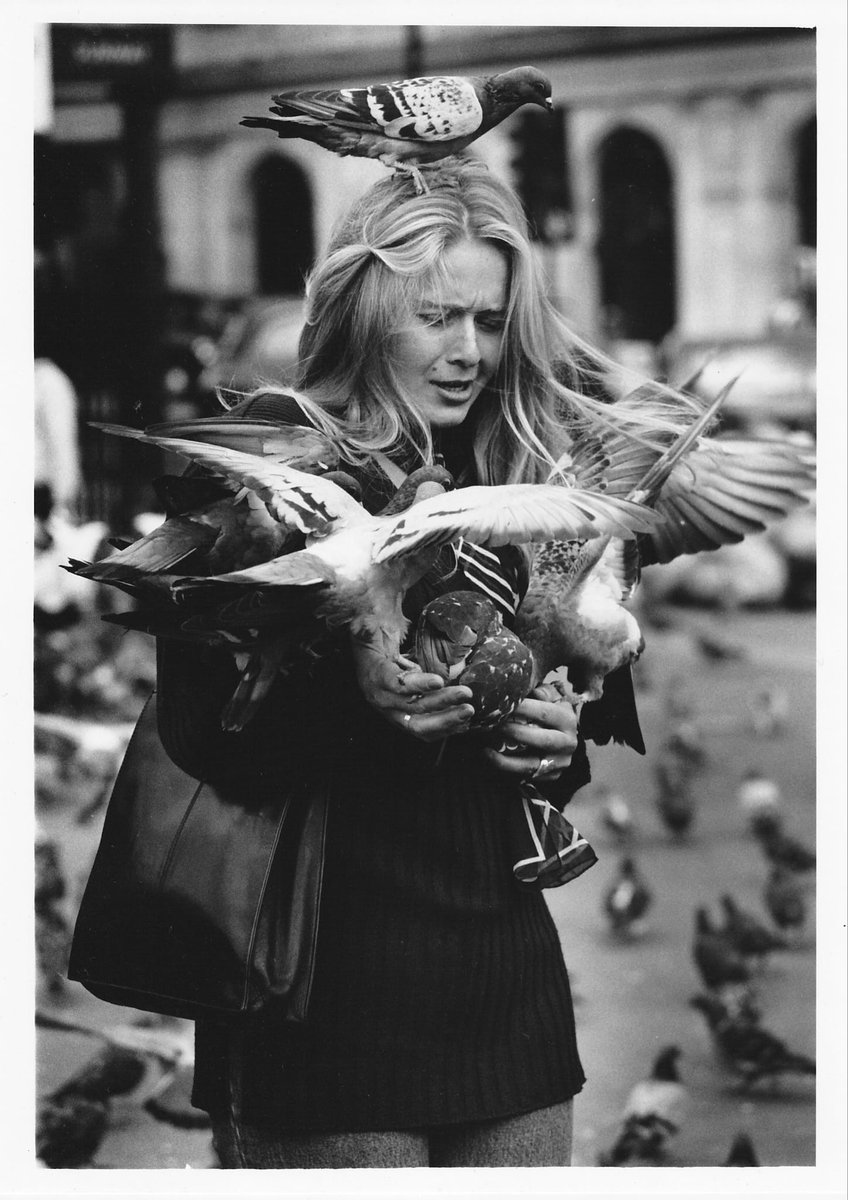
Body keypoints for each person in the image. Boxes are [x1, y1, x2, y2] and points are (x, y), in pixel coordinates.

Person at [155, 158, 698, 1169]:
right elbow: (204, 742)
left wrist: (554, 741)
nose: (469, 352)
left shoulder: (532, 482)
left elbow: (576, 721)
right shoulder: (271, 480)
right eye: (437, 316)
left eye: (489, 321)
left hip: (505, 998)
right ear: (364, 312)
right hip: (321, 1004)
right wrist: (363, 696)